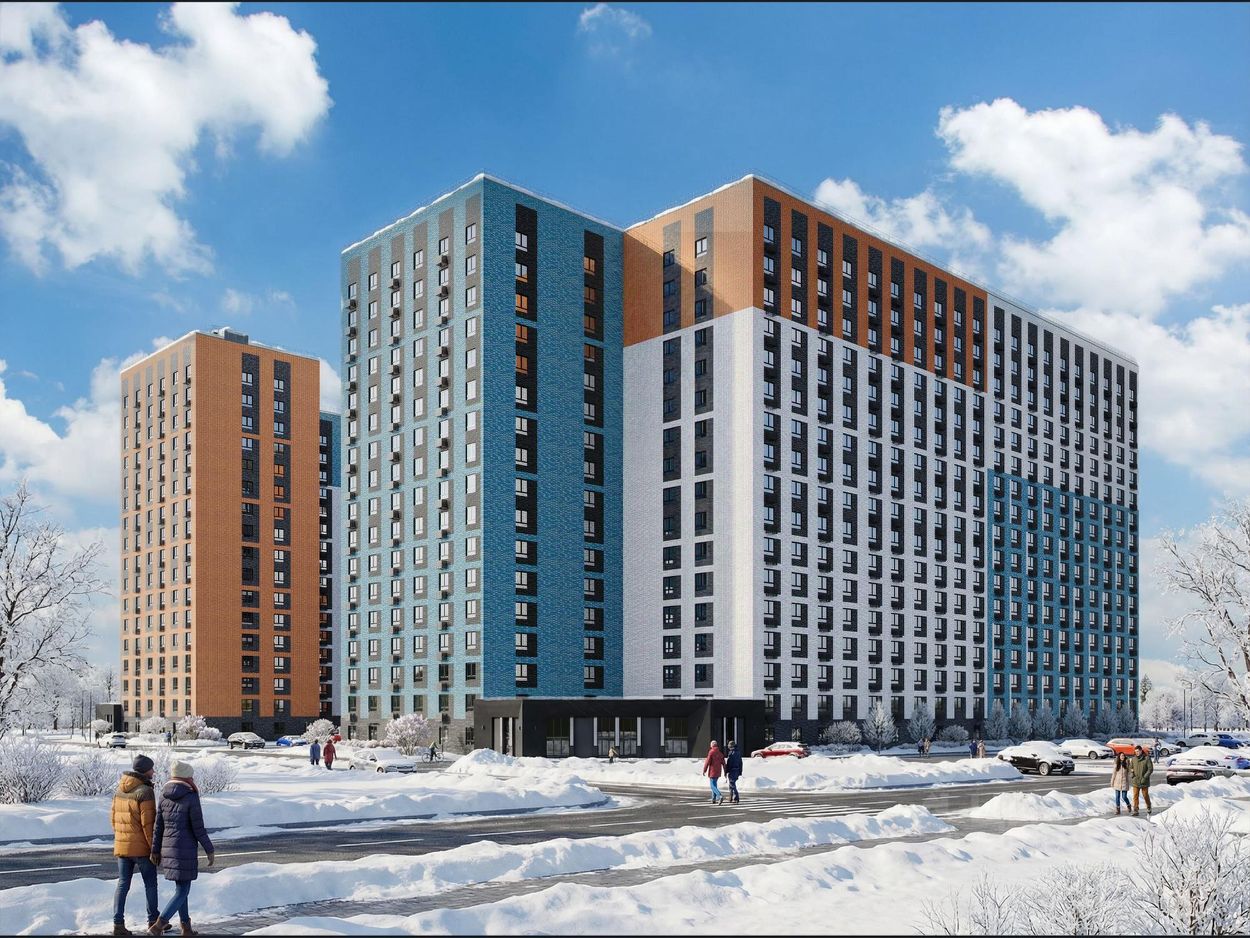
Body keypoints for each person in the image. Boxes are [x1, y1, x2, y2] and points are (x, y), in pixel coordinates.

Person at [148, 761, 214, 936]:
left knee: (181, 889)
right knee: (183, 890)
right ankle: (158, 926)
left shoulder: (164, 795)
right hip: (185, 849)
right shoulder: (191, 796)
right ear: (186, 777)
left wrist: (155, 850)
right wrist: (209, 849)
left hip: (168, 848)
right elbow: (198, 827)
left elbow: (158, 826)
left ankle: (186, 928)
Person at [111, 754, 162, 936]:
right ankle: (154, 922)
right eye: (151, 768)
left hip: (122, 847)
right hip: (141, 849)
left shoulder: (119, 789)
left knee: (123, 884)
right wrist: (154, 849)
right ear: (145, 770)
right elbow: (149, 825)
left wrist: (121, 838)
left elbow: (113, 819)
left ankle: (118, 924)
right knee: (150, 884)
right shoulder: (145, 791)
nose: (153, 771)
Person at [1129, 744, 1153, 817]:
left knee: (1145, 795)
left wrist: (1145, 777)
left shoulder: (1147, 758)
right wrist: (1132, 774)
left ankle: (1149, 807)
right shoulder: (1133, 759)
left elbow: (1150, 769)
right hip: (1136, 781)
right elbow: (1130, 768)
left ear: (1141, 751)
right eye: (1136, 751)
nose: (1137, 753)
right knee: (1135, 796)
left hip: (1144, 781)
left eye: (1138, 751)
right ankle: (1136, 810)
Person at [702, 739, 726, 805]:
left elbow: (707, 762)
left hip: (712, 771)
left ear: (711, 745)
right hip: (718, 771)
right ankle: (713, 799)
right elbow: (724, 763)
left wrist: (704, 770)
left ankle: (719, 796)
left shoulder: (711, 752)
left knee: (712, 786)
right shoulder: (720, 753)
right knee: (714, 784)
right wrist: (725, 772)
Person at [1110, 752, 1131, 816]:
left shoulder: (1127, 763)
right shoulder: (1116, 764)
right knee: (1117, 797)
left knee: (1124, 797)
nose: (1122, 757)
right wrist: (1112, 782)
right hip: (1117, 782)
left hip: (1124, 782)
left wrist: (1128, 781)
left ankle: (1129, 805)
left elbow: (1129, 773)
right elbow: (1114, 773)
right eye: (1121, 756)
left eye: (1123, 756)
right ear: (1119, 757)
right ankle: (1118, 810)